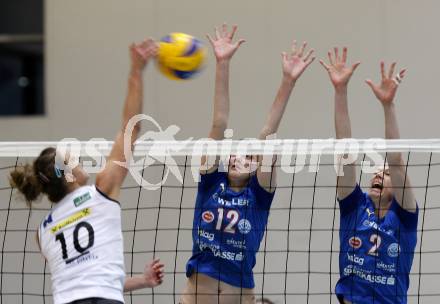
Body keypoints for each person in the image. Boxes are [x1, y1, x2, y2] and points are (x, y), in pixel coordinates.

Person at [9, 39, 164, 304]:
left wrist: (141, 281)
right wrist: (136, 70)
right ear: (68, 174)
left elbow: (86, 280)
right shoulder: (102, 191)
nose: (80, 159)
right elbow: (131, 127)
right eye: (74, 159)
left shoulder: (42, 231)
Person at [180, 24, 315, 304]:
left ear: (258, 168)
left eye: (249, 156)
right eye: (236, 153)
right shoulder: (210, 183)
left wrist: (288, 81)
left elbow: (268, 134)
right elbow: (219, 122)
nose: (238, 158)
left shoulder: (258, 196)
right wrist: (222, 63)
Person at [320, 48, 418, 303]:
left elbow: (396, 161)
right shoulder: (354, 207)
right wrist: (340, 91)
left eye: (385, 174)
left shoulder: (404, 216)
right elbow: (345, 151)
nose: (378, 173)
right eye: (376, 170)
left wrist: (388, 105)